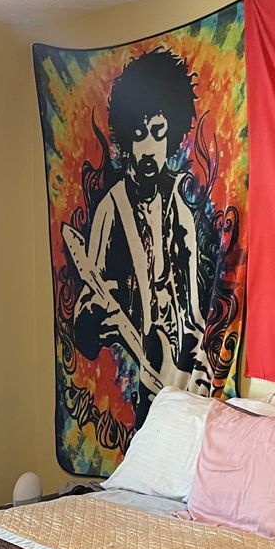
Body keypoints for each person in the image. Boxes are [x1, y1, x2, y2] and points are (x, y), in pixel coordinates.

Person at [63, 48, 204, 395]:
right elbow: (85, 320)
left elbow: (195, 312)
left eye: (157, 132)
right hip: (132, 378)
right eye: (139, 135)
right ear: (126, 138)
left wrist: (197, 365)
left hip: (173, 381)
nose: (148, 148)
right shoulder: (113, 209)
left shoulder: (180, 208)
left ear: (172, 135)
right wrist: (96, 316)